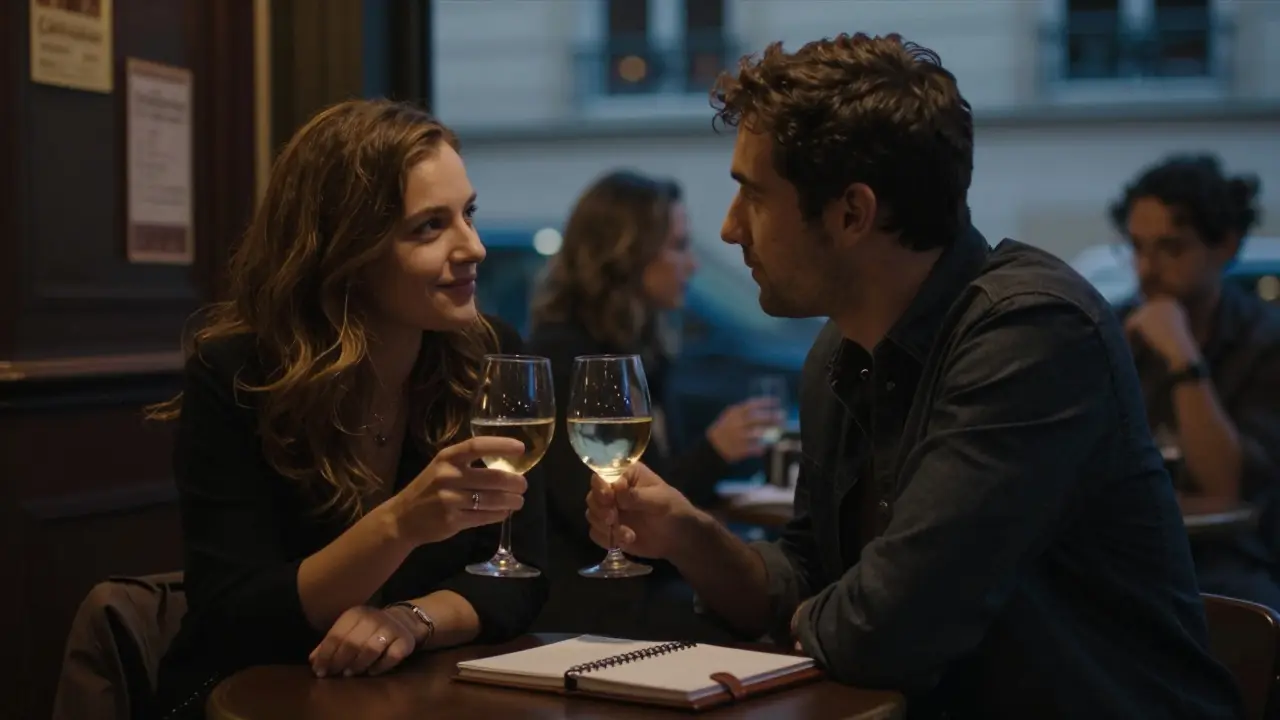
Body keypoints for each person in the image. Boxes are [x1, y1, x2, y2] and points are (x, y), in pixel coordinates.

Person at [582, 34, 1244, 718]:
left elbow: (887, 630)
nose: (728, 229)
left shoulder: (1034, 332)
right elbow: (811, 578)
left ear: (852, 214)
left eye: (752, 195)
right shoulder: (840, 350)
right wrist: (691, 535)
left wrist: (819, 616)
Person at [148, 99, 547, 717]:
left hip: (411, 698)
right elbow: (235, 613)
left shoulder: (488, 357)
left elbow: (523, 574)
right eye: (429, 227)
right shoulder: (237, 374)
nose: (474, 247)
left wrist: (410, 621)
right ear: (346, 251)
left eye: (468, 215)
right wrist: (399, 525)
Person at [525, 170, 778, 640]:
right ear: (627, 255)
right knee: (758, 624)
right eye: (679, 246)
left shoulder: (645, 353)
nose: (693, 265)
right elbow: (606, 512)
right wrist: (715, 452)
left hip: (645, 583)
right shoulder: (566, 357)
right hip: (589, 600)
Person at [1111, 155, 1280, 609]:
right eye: (1138, 247)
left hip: (1229, 562)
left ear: (1225, 245)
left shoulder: (1265, 342)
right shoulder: (1116, 331)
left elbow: (1226, 487)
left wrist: (1184, 360)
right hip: (1126, 554)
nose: (1146, 269)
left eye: (1171, 248)